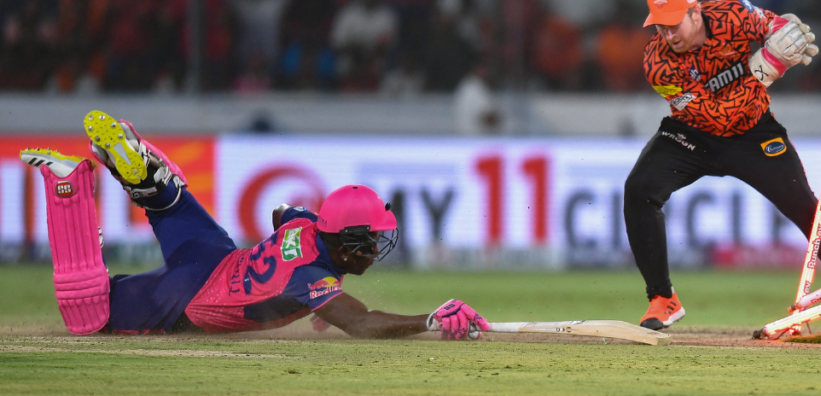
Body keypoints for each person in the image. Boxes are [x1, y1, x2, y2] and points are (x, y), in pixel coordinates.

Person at [21, 110, 489, 339]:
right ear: (345, 245)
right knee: (90, 315)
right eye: (371, 242)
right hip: (193, 297)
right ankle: (67, 189)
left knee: (168, 202)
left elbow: (280, 214)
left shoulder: (305, 224)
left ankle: (141, 171)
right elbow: (363, 323)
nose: (376, 249)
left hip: (215, 255)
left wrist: (317, 297)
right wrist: (429, 319)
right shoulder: (313, 279)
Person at [625, 0, 821, 334]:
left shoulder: (733, 12)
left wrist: (786, 36)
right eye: (660, 26)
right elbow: (718, 117)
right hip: (692, 133)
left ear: (696, 12)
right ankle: (663, 298)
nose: (668, 35)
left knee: (809, 211)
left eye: (674, 24)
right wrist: (768, 67)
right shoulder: (657, 63)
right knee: (639, 190)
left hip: (754, 132)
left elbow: (777, 25)